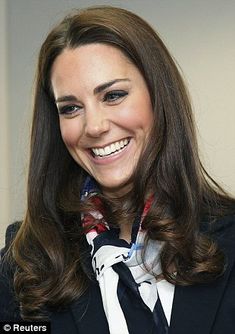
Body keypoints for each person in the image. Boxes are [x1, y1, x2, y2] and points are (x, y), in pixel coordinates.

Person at [1, 5, 235, 334]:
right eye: (70, 108)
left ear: (159, 98)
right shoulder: (21, 267)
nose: (93, 126)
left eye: (113, 95)